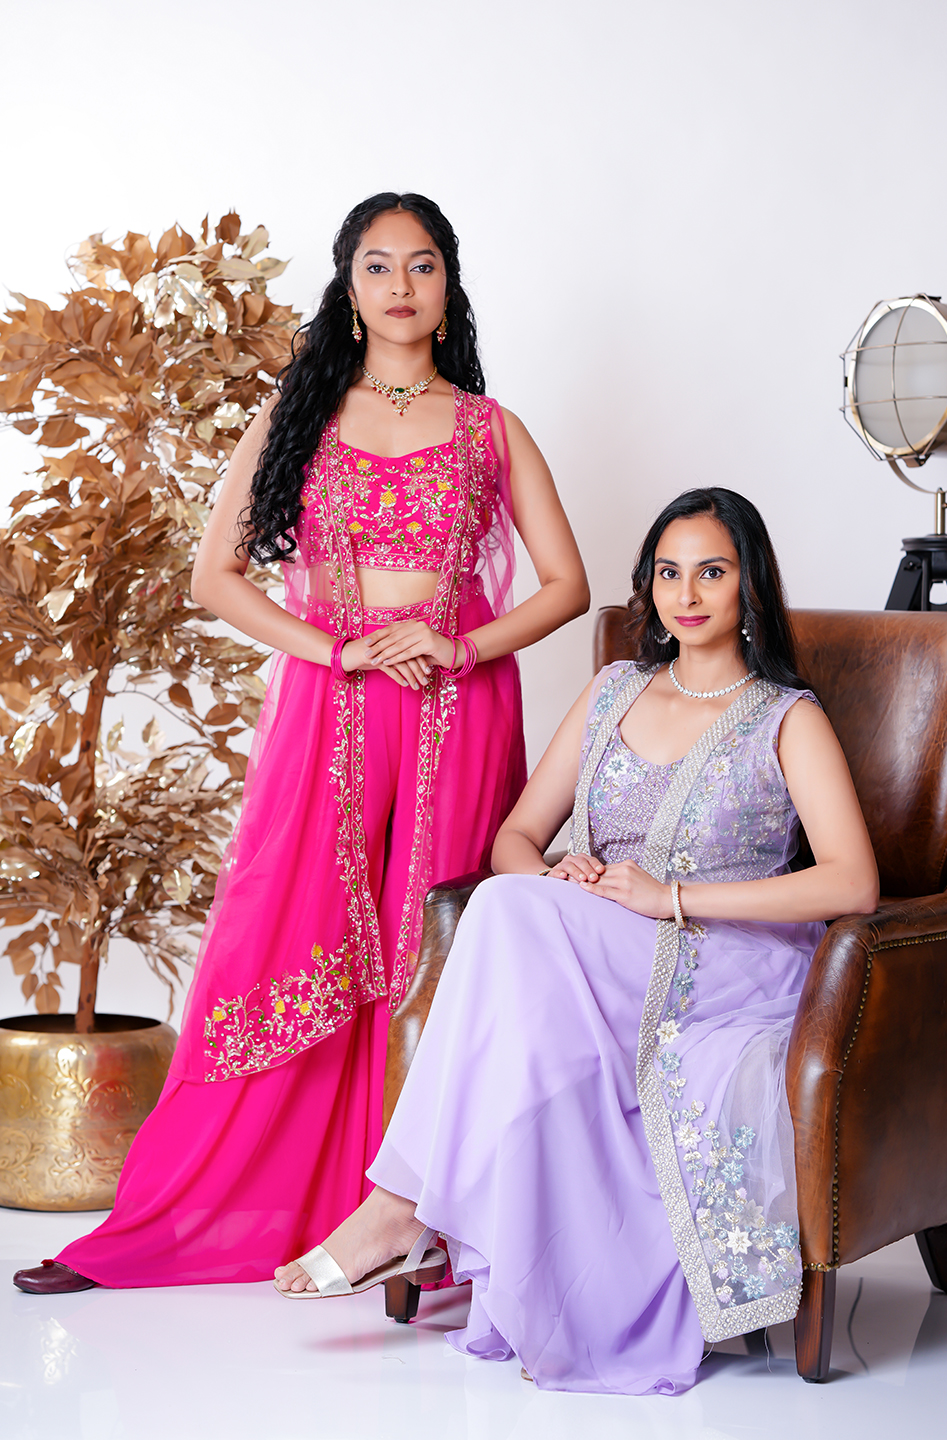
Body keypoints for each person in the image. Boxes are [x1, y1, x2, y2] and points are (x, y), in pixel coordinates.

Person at [14, 193, 588, 1294]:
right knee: (284, 935)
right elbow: (215, 576)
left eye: (423, 265)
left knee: (437, 952)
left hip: (460, 709)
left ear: (449, 285)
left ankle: (418, 1218)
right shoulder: (301, 414)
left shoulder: (491, 429)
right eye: (379, 266)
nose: (402, 286)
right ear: (349, 285)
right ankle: (182, 1215)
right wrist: (340, 651)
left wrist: (459, 645)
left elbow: (568, 585)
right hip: (334, 711)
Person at [272, 488, 879, 1396]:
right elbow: (517, 838)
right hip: (596, 937)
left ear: (750, 585)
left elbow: (852, 881)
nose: (687, 594)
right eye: (668, 573)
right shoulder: (613, 691)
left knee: (506, 914)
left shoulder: (786, 717)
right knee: (510, 903)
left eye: (712, 572)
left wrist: (670, 897)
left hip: (725, 959)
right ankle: (412, 1212)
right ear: (648, 587)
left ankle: (400, 1208)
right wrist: (559, 880)